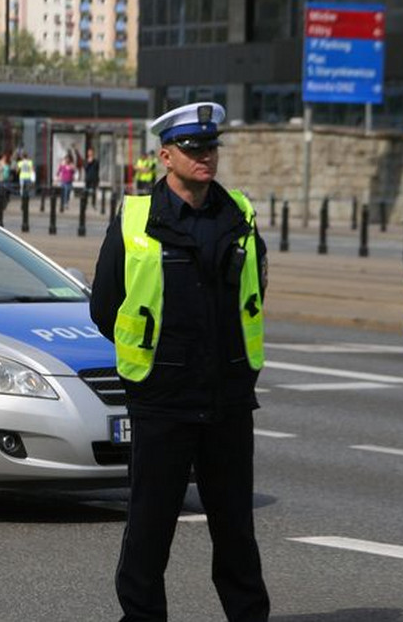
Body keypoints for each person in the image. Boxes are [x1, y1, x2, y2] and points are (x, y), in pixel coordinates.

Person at [91, 101, 270, 622]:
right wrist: (158, 356)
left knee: (235, 529)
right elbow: (106, 306)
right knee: (150, 527)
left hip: (228, 399)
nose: (205, 158)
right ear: (166, 156)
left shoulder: (239, 214)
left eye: (211, 148)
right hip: (163, 399)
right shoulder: (135, 220)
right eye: (193, 149)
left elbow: (256, 293)